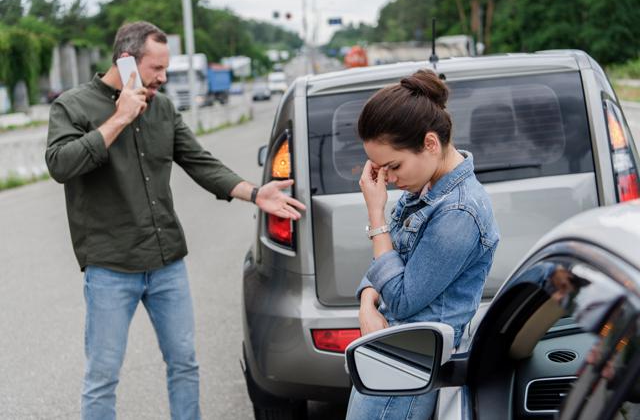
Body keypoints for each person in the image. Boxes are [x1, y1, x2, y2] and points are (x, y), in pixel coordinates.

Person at [45, 21, 305, 420]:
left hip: (167, 264)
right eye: (157, 69)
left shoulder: (162, 107)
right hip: (111, 267)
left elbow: (200, 163)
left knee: (184, 364)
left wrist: (255, 192)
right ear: (127, 62)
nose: (164, 78)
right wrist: (118, 119)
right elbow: (61, 165)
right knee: (103, 376)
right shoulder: (73, 106)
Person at [345, 69, 500, 419]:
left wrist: (376, 213)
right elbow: (389, 264)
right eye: (381, 170)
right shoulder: (427, 191)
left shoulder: (459, 211)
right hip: (390, 355)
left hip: (409, 368)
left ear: (430, 143)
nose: (389, 180)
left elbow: (400, 298)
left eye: (393, 166)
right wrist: (367, 303)